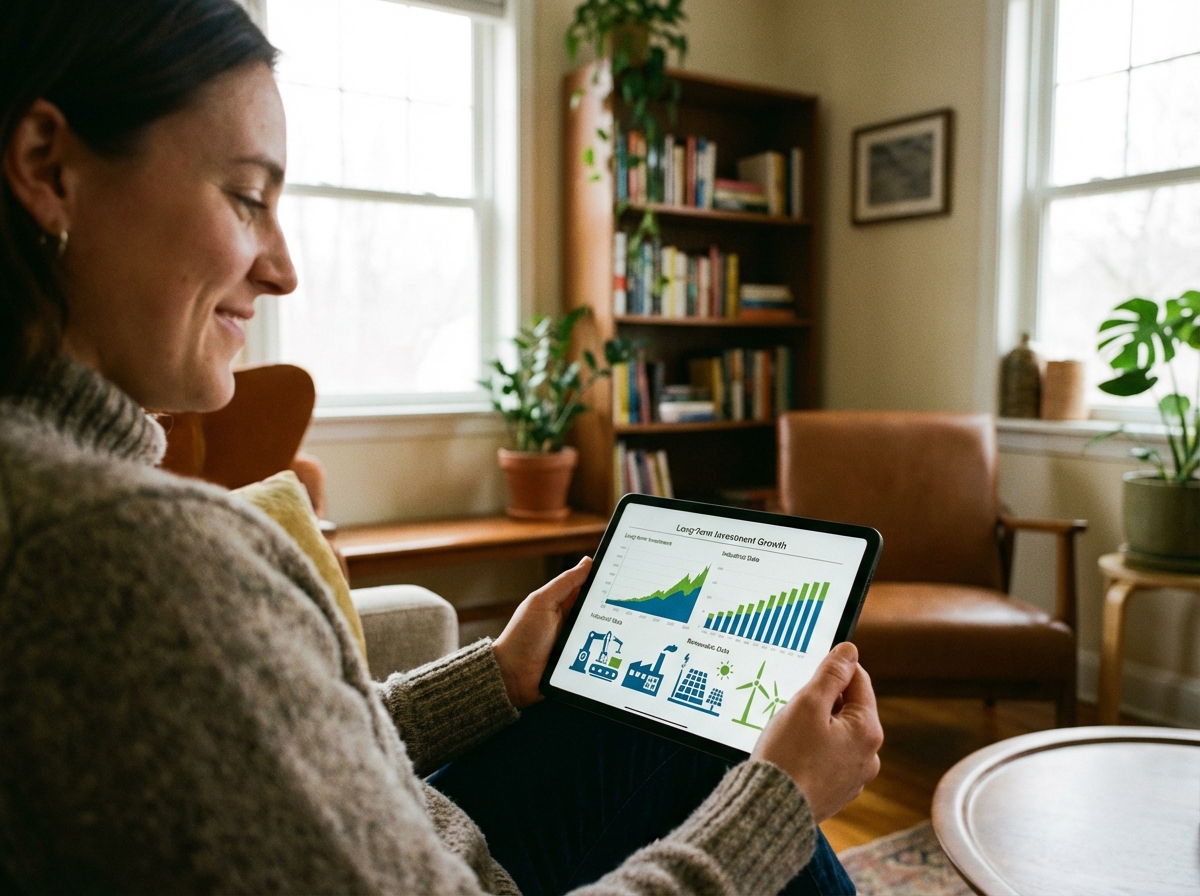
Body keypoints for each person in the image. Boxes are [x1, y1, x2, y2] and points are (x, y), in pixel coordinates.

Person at [0, 1, 884, 893]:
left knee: (662, 722)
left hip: (432, 822)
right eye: (247, 197)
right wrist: (778, 804)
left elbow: (295, 755)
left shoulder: (55, 499)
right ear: (47, 167)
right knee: (732, 767)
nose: (283, 270)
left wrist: (495, 671)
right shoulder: (125, 551)